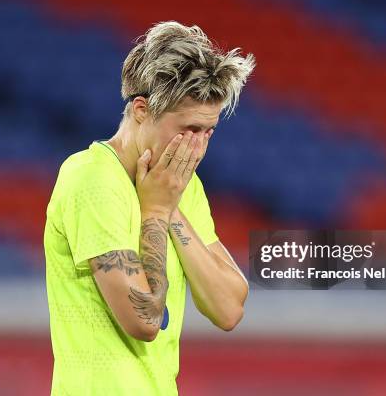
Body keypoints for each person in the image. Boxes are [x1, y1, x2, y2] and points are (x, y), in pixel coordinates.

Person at [43, 20, 255, 395]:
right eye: (188, 129)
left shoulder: (179, 184)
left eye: (209, 132)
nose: (198, 147)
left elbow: (228, 308)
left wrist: (170, 209)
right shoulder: (91, 178)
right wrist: (155, 211)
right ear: (141, 110)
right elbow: (145, 319)